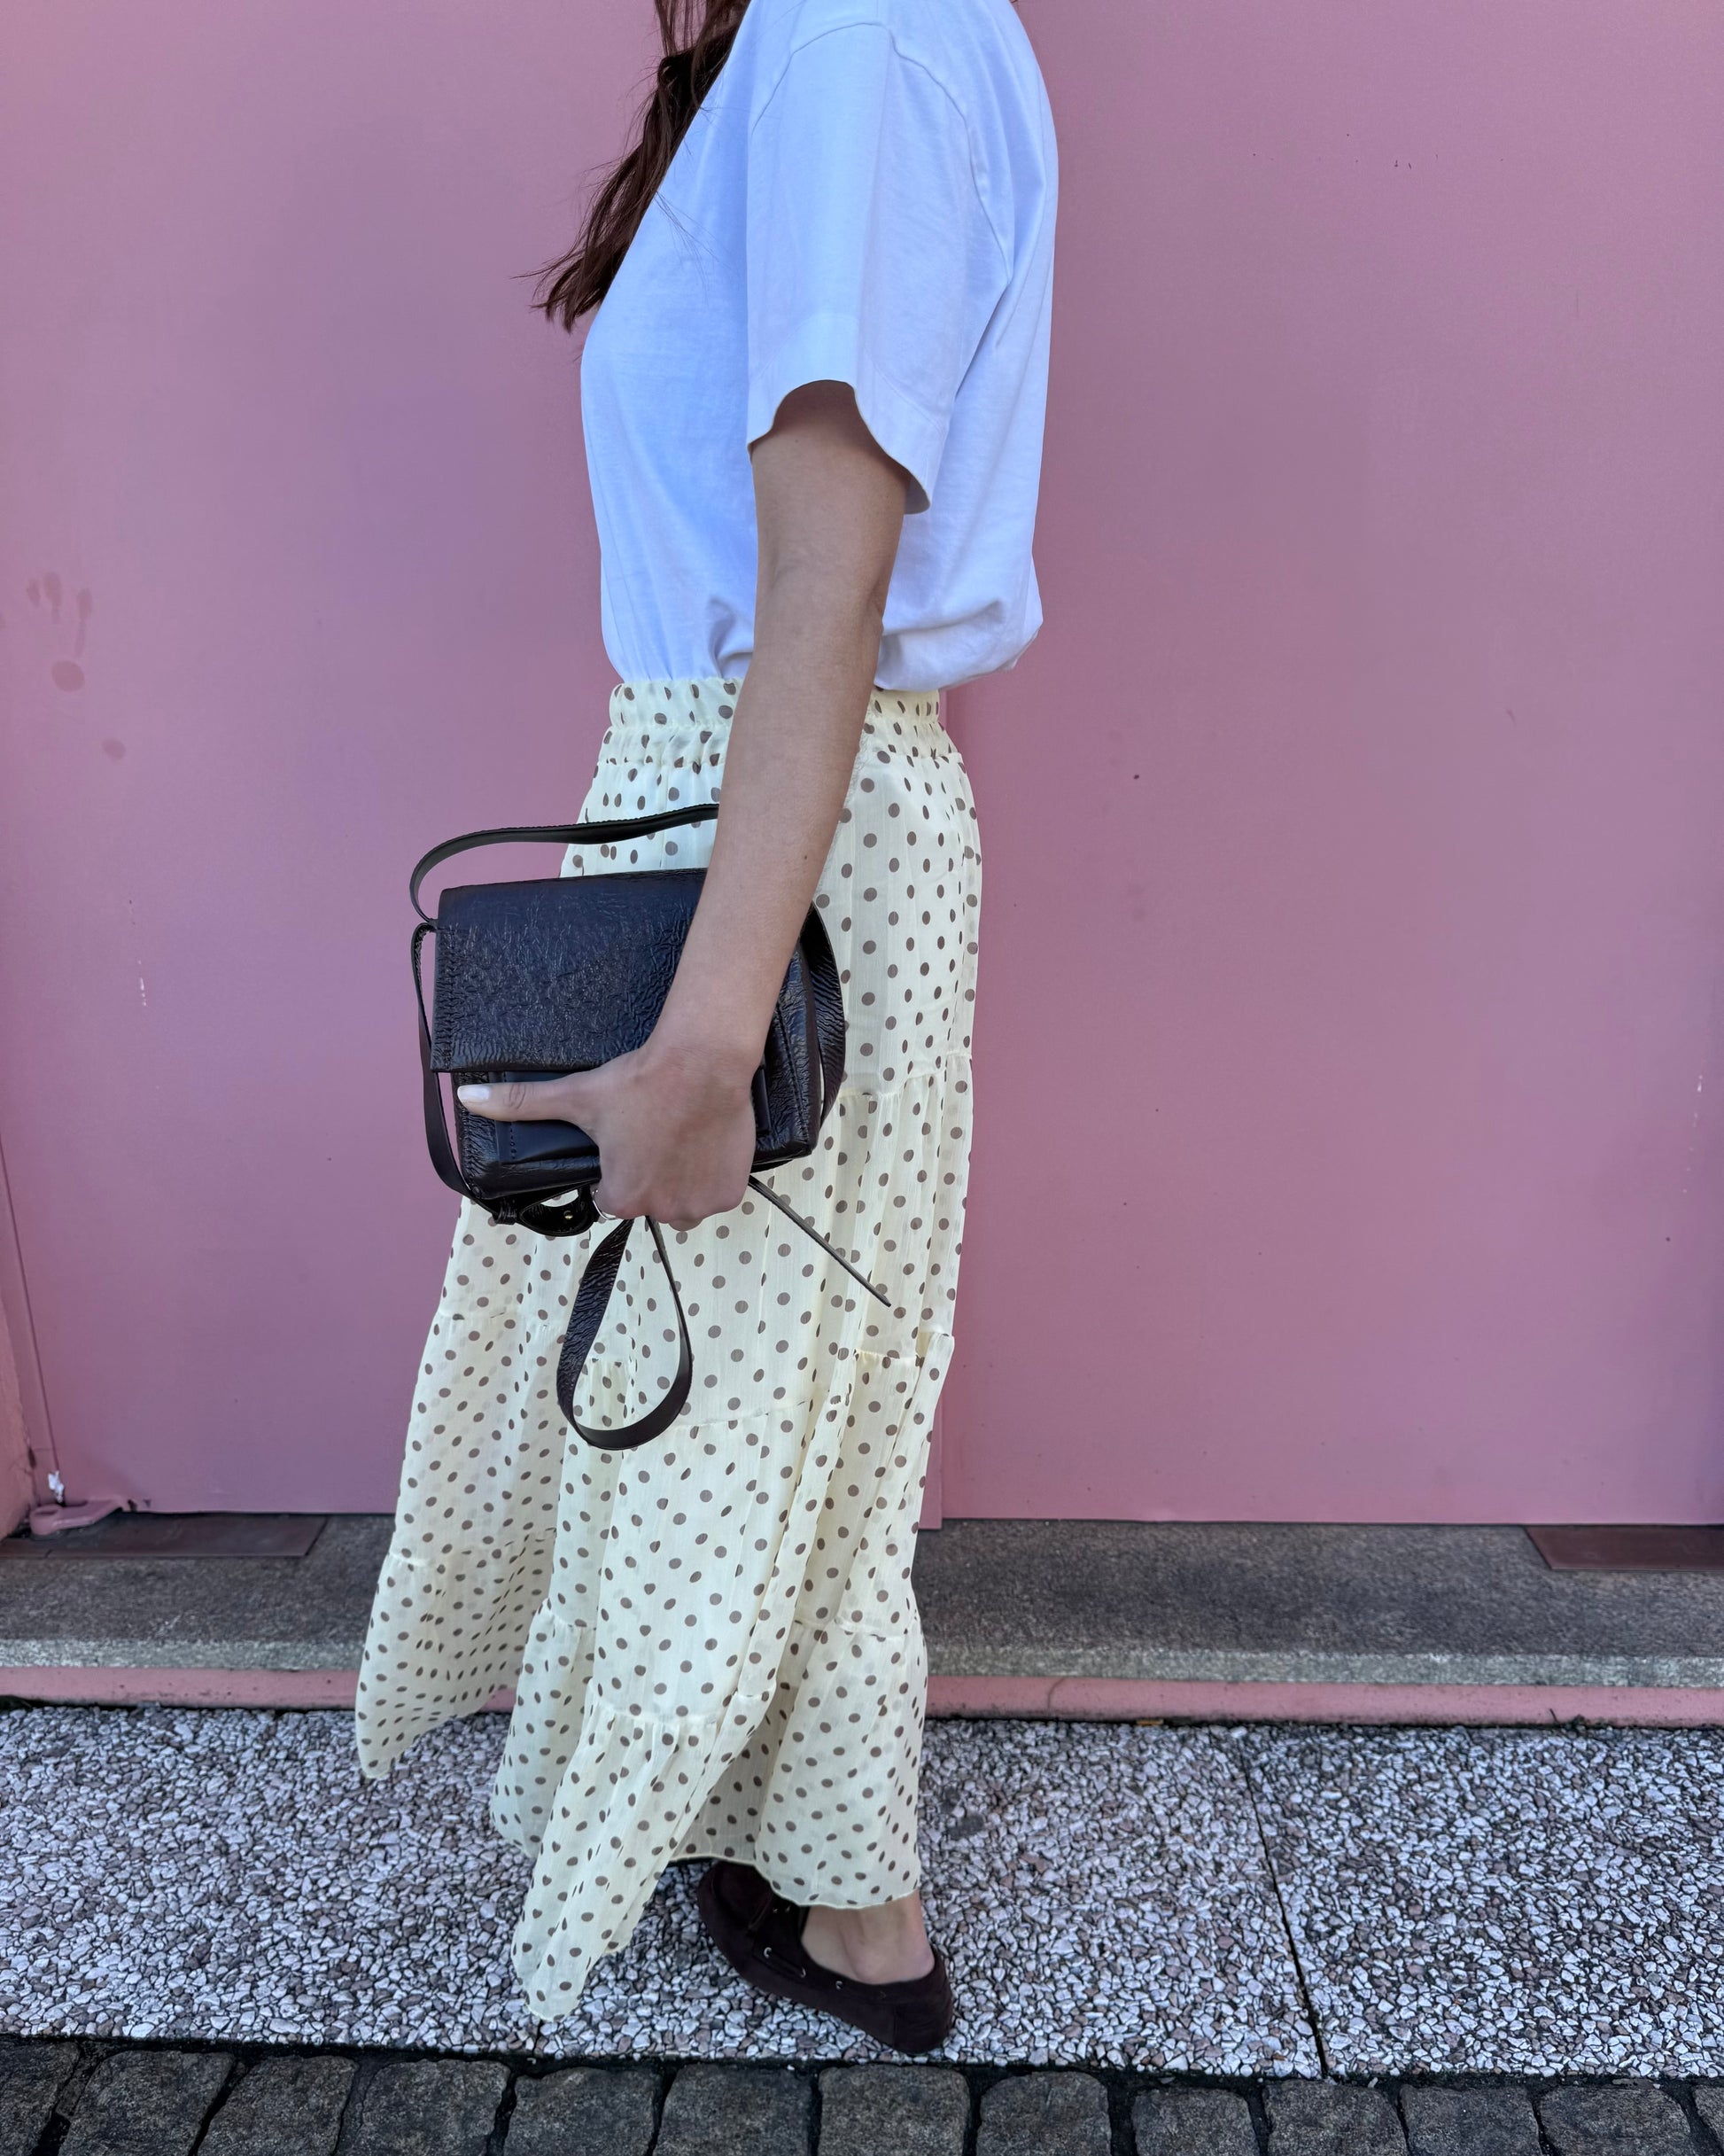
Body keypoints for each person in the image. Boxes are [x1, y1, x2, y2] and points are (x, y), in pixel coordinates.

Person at [354, 0, 1056, 2055]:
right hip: (751, 818)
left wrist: (703, 1039)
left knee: (716, 1403)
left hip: (772, 837)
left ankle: (865, 1908)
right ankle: (835, 1879)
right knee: (770, 1398)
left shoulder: (856, 38)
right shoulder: (830, 40)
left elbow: (826, 577)